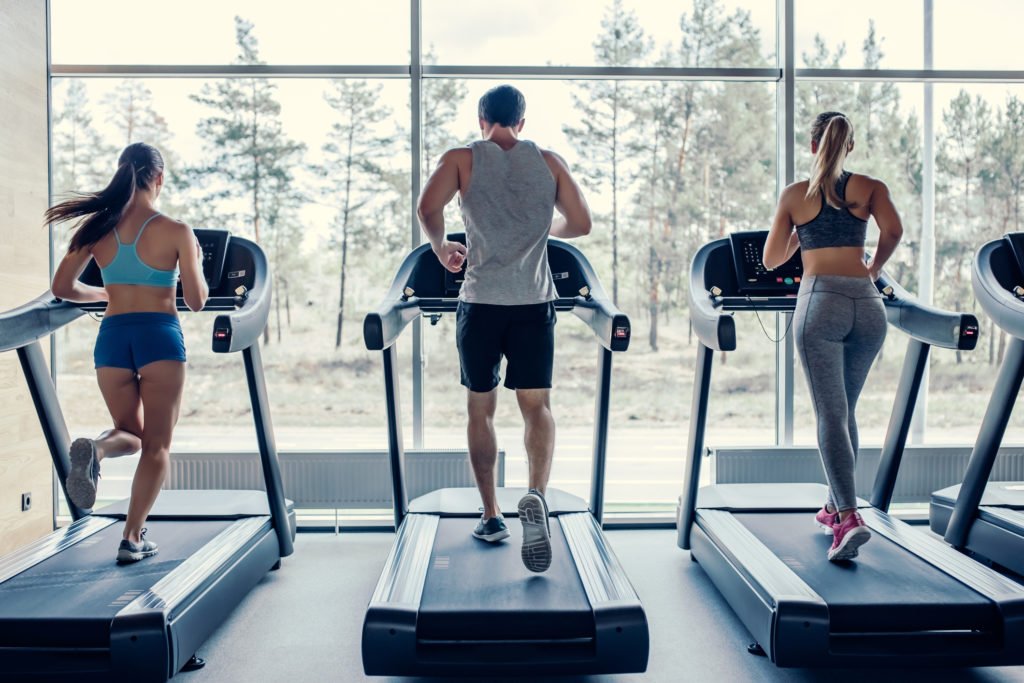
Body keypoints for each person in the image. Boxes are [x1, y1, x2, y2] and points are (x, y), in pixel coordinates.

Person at [417, 85, 592, 573]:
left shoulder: (461, 159)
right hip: (533, 304)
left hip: (481, 305)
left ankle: (492, 514)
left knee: (481, 409)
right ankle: (535, 496)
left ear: (482, 119)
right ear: (522, 119)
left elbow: (426, 210)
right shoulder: (550, 162)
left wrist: (441, 248)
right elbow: (580, 223)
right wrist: (540, 231)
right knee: (536, 407)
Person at [47, 142, 208, 564]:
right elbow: (195, 300)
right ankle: (132, 538)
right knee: (155, 445)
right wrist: (198, 264)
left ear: (122, 174)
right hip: (158, 337)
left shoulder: (97, 228)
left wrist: (107, 292)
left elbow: (62, 288)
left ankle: (97, 449)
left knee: (128, 434)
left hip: (113, 338)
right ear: (158, 178)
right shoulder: (176, 230)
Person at [763, 111, 903, 562]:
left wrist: (801, 234)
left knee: (830, 413)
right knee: (844, 412)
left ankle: (848, 516)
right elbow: (894, 230)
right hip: (868, 305)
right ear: (850, 147)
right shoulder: (870, 188)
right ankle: (832, 505)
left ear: (812, 147)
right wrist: (874, 267)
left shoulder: (795, 196)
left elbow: (770, 260)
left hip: (821, 301)